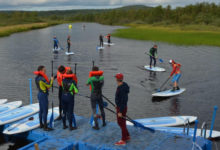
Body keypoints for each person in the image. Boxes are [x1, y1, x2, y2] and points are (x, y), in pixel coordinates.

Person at [34, 65, 54, 131]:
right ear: (40, 71)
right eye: (44, 70)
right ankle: (45, 127)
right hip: (43, 95)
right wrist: (52, 80)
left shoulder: (36, 78)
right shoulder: (42, 79)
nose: (45, 71)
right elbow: (49, 85)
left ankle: (41, 124)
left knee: (41, 110)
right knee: (45, 111)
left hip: (39, 94)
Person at [114, 73, 130, 146]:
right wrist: (117, 104)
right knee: (122, 122)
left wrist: (120, 111)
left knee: (121, 123)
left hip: (122, 108)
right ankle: (127, 136)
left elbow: (124, 100)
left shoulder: (122, 88)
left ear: (117, 79)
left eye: (116, 78)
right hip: (120, 107)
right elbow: (119, 99)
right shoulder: (123, 85)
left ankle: (123, 140)